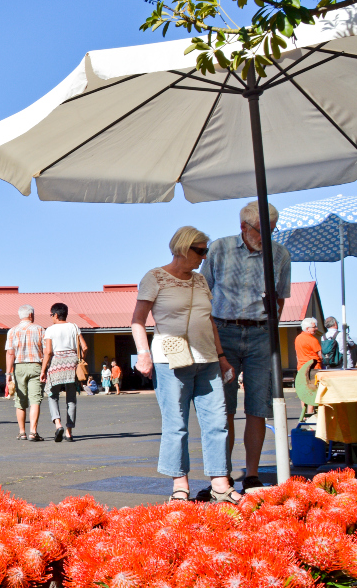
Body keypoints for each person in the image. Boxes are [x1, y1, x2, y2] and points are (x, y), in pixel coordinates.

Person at [133, 225, 239, 503]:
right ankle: (180, 485)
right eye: (200, 251)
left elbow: (209, 321)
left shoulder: (200, 281)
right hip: (170, 359)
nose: (204, 257)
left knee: (218, 422)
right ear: (183, 248)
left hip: (207, 359)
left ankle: (220, 483)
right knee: (176, 424)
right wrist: (143, 353)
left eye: (206, 252)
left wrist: (223, 357)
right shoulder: (154, 277)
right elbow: (137, 320)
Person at [200, 200, 291, 494]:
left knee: (258, 407)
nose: (268, 236)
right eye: (262, 231)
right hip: (223, 332)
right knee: (222, 408)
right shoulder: (219, 249)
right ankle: (222, 474)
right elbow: (203, 291)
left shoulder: (280, 255)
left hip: (261, 333)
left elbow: (279, 301)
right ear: (243, 227)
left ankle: (251, 474)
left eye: (272, 230)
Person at [42, 302, 87, 443]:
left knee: (52, 395)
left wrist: (43, 370)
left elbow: (48, 352)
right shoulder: (74, 327)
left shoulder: (50, 330)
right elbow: (84, 347)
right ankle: (69, 432)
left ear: (55, 315)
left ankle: (58, 424)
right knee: (71, 399)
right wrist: (80, 359)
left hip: (56, 363)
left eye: (51, 315)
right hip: (72, 363)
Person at [6, 305, 46, 441]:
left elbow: (10, 353)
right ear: (31, 315)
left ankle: (22, 432)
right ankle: (33, 432)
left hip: (19, 367)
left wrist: (8, 373)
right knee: (35, 400)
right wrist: (45, 369)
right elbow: (46, 352)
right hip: (36, 365)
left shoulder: (12, 331)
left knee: (20, 400)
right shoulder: (40, 329)